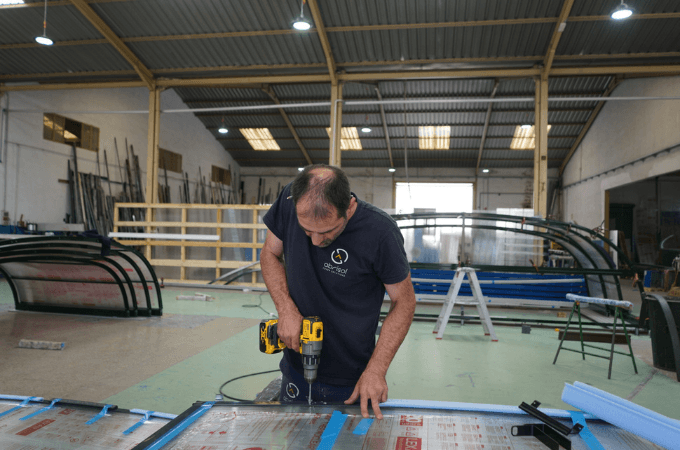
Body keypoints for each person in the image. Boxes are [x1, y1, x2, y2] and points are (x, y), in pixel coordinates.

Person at [260, 164, 416, 419]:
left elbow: (404, 302)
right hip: (295, 369)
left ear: (349, 208)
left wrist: (376, 370)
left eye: (327, 231)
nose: (316, 242)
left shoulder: (380, 232)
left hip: (351, 379)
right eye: (307, 231)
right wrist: (285, 308)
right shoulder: (289, 199)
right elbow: (270, 253)